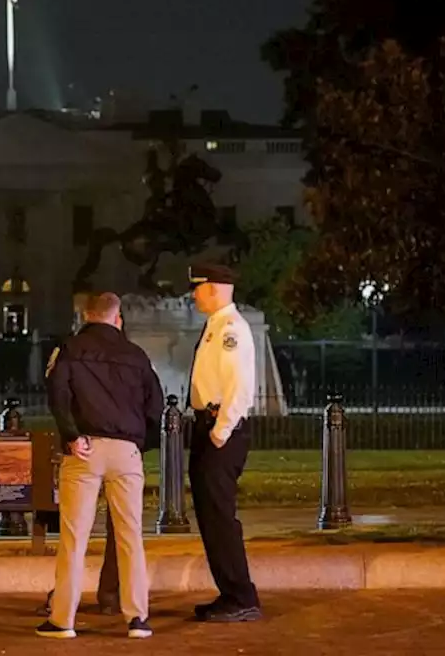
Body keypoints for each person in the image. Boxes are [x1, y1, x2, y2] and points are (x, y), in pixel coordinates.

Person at [36, 292, 162, 640]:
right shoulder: (136, 356)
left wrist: (72, 436)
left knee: (74, 539)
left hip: (85, 450)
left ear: (86, 316)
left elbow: (57, 395)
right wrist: (139, 443)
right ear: (117, 318)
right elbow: (155, 407)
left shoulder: (70, 350)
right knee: (130, 537)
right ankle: (137, 618)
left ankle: (63, 619)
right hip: (126, 451)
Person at [187, 263, 263, 622]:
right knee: (211, 517)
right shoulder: (216, 326)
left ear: (214, 288)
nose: (193, 294)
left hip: (221, 432)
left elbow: (239, 387)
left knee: (219, 517)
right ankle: (231, 593)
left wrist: (219, 432)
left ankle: (241, 596)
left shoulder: (231, 329)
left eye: (198, 288)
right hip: (209, 429)